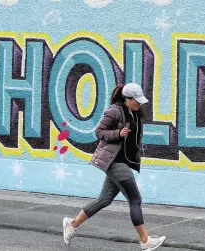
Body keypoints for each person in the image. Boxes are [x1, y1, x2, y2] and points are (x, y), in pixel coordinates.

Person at [62, 83, 165, 250]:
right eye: (136, 101)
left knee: (104, 200)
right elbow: (99, 132)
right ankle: (145, 241)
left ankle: (71, 225)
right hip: (115, 162)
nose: (139, 104)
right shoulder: (115, 111)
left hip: (122, 161)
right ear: (127, 99)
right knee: (135, 199)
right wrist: (118, 133)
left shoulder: (134, 112)